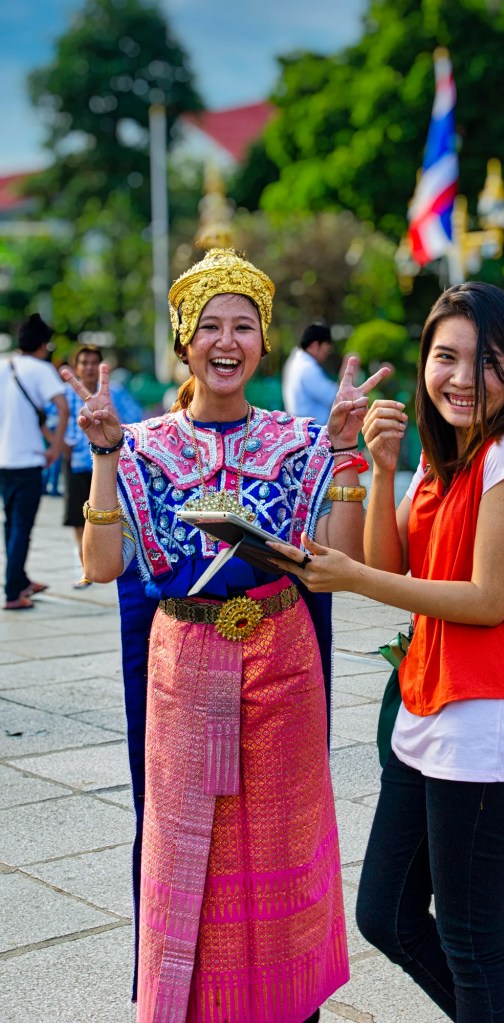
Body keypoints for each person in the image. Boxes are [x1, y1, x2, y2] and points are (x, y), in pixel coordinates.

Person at [61, 247, 390, 1023]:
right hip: (183, 666)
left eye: (244, 325)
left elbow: (348, 559)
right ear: (185, 343)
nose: (227, 340)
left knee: (280, 847)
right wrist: (104, 455)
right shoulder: (142, 445)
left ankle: (287, 1007)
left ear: (264, 341)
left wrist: (346, 453)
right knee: (185, 854)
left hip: (283, 663)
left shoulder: (301, 440)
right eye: (209, 325)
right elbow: (104, 565)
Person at [269, 282, 504, 1023]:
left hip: (487, 721)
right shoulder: (448, 455)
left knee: (471, 938)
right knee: (387, 911)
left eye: (487, 360)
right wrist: (382, 467)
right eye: (447, 357)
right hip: (429, 706)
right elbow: (392, 560)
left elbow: (487, 599)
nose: (463, 378)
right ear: (425, 364)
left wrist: (356, 579)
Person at [0, 313, 68, 610]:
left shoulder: (3, 366)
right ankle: (13, 592)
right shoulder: (41, 369)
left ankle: (20, 578)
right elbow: (62, 407)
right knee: (21, 527)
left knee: (10, 522)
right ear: (43, 344)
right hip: (27, 460)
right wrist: (54, 445)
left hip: (3, 460)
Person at [63, 344, 142, 588]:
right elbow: (54, 420)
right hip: (77, 464)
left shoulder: (114, 391)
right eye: (83, 362)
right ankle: (87, 566)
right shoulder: (66, 393)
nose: (87, 367)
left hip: (111, 466)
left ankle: (114, 559)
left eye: (92, 362)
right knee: (78, 518)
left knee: (117, 515)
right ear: (77, 366)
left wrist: (112, 417)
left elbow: (136, 419)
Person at [283, 321, 348, 421]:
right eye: (326, 349)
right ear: (315, 345)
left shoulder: (294, 362)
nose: (327, 354)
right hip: (312, 432)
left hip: (301, 426)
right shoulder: (307, 368)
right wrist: (347, 372)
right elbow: (336, 397)